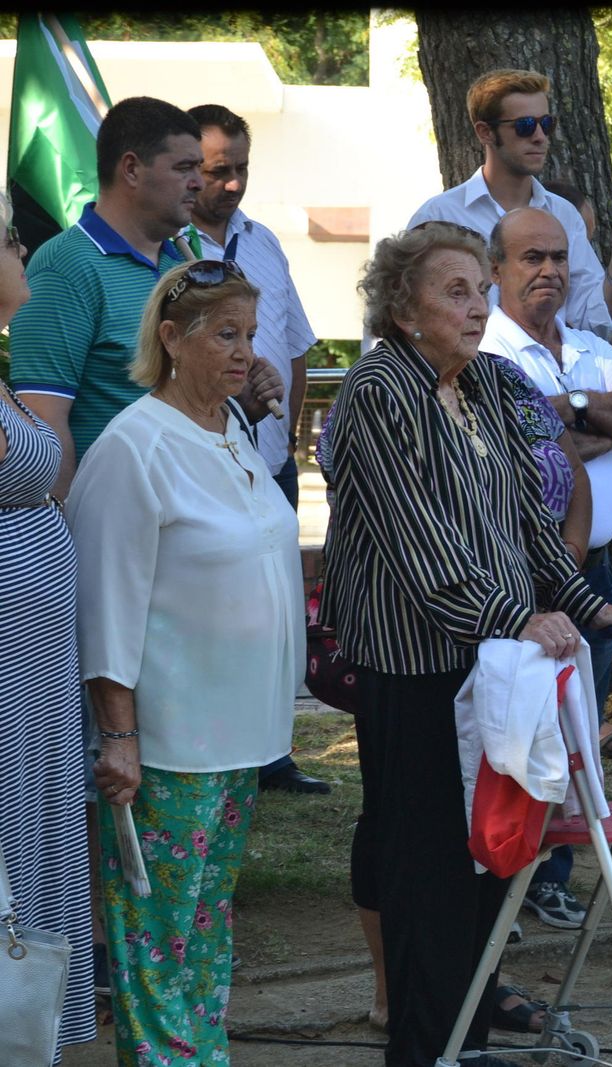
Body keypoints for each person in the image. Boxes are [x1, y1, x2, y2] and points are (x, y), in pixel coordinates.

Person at [319, 222, 612, 1067]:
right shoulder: (377, 391)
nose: (477, 307)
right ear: (403, 307)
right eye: (454, 292)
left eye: (479, 288)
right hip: (415, 667)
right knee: (427, 871)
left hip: (490, 663)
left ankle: (462, 1042)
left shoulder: (489, 383)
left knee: (491, 861)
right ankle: (428, 1048)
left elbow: (533, 527)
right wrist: (514, 617)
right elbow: (419, 542)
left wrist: (586, 604)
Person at [8, 93, 283, 995]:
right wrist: (66, 568)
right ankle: (80, 977)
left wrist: (242, 375)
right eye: (184, 168)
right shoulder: (67, 266)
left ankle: (128, 990)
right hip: (107, 549)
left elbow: (196, 380)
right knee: (115, 816)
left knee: (194, 884)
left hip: (189, 554)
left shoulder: (188, 260)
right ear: (132, 169)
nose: (202, 184)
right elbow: (43, 431)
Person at [68, 260, 301, 1066]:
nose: (244, 350)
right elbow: (105, 605)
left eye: (249, 331)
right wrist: (119, 736)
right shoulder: (134, 446)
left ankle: (202, 1054)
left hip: (236, 736)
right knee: (159, 934)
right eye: (223, 334)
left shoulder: (230, 427)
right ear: (172, 339)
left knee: (205, 922)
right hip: (168, 741)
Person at [481, 206, 612, 935]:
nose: (549, 269)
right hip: (522, 577)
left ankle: (550, 877)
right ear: (497, 270)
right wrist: (581, 428)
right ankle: (500, 879)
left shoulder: (586, 345)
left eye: (558, 257)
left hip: (595, 573)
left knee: (581, 727)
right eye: (531, 258)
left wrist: (567, 407)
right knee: (519, 730)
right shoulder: (487, 351)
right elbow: (525, 446)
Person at [184, 102, 331, 797]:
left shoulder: (263, 240)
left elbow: (295, 345)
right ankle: (223, 749)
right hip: (205, 465)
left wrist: (288, 435)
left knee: (275, 614)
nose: (234, 184)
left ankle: (273, 750)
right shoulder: (173, 251)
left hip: (268, 458)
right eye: (219, 171)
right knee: (223, 616)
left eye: (242, 168)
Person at [0, 198, 96, 1063]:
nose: (23, 248)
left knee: (37, 833)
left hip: (33, 668)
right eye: (8, 238)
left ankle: (33, 1034)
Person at [409, 68, 612, 337]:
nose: (539, 137)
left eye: (546, 124)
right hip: (468, 374)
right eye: (524, 126)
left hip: (548, 375)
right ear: (485, 132)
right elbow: (414, 316)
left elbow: (594, 324)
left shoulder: (563, 214)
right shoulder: (440, 216)